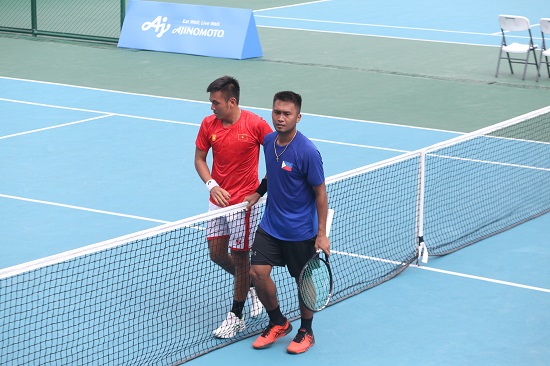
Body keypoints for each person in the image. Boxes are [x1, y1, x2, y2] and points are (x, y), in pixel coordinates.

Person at [244, 91, 330, 354]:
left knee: (302, 280)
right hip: (271, 225)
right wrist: (259, 191)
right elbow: (272, 172)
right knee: (257, 273)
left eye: (287, 114)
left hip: (300, 231)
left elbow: (320, 193)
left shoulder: (307, 151)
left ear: (298, 117)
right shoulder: (269, 141)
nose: (280, 118)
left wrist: (321, 234)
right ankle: (278, 321)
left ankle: (306, 330)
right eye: (277, 112)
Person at [194, 76, 273, 339]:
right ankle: (250, 283)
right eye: (210, 102)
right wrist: (211, 185)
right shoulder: (208, 124)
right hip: (217, 202)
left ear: (232, 101)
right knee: (216, 254)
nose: (211, 108)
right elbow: (199, 159)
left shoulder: (256, 125)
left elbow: (278, 156)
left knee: (241, 258)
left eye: (215, 102)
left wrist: (258, 192)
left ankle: (236, 316)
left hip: (242, 206)